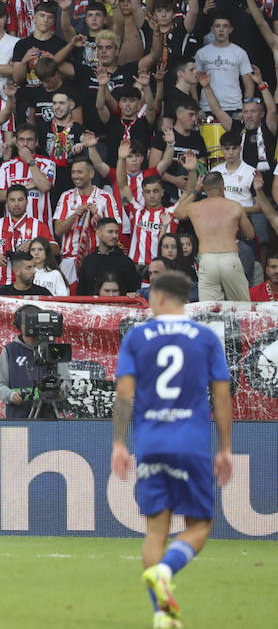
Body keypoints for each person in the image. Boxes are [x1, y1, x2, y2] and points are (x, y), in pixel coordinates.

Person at [111, 270, 232, 628]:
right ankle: (167, 570)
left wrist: (119, 442)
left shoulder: (138, 336)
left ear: (161, 298)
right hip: (191, 443)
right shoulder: (206, 337)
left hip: (150, 443)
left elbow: (124, 395)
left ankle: (161, 614)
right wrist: (225, 448)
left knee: (155, 530)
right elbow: (221, 396)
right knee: (200, 525)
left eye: (150, 297)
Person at [172, 162, 253, 301]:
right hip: (230, 258)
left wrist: (196, 190)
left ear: (204, 188)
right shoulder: (234, 206)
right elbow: (250, 234)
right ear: (222, 186)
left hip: (207, 260)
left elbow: (177, 212)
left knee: (209, 312)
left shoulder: (195, 207)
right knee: (242, 308)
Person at [0, 303, 61, 419]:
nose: (33, 326)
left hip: (48, 418)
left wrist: (62, 389)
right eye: (29, 321)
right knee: (13, 438)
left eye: (35, 321)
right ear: (20, 325)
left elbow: (66, 381)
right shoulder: (10, 351)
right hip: (17, 417)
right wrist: (11, 395)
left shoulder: (52, 349)